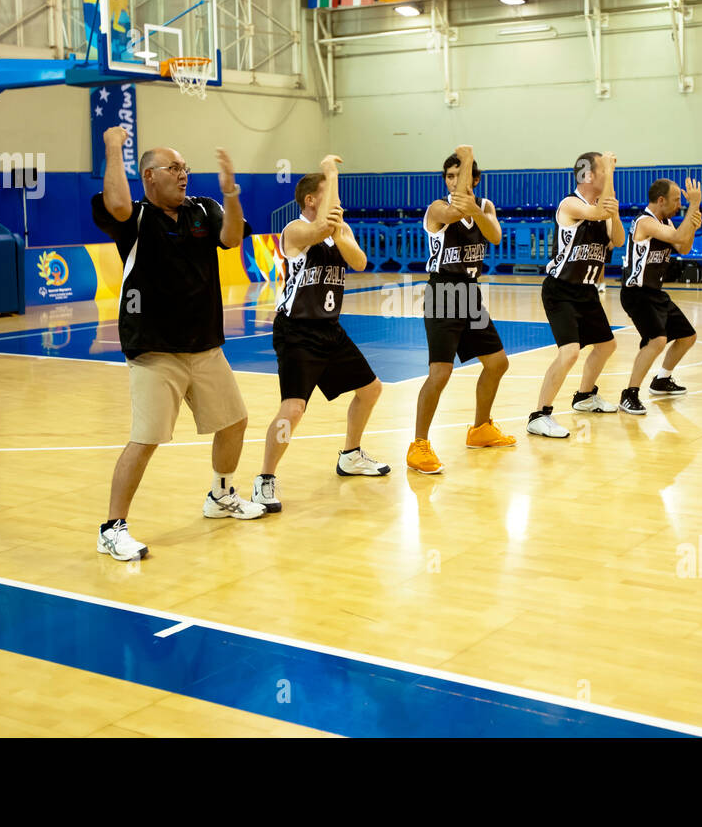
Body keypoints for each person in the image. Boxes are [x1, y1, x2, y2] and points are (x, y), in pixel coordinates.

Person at [90, 127, 264, 562]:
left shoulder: (203, 209)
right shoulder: (136, 216)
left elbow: (232, 238)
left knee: (234, 422)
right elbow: (114, 202)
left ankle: (220, 495)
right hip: (154, 350)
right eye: (173, 168)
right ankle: (112, 528)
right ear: (149, 176)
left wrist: (231, 192)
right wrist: (113, 147)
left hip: (204, 345)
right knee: (146, 439)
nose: (183, 174)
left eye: (185, 167)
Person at [252, 155, 389, 513]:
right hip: (296, 330)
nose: (339, 203)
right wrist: (330, 170)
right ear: (311, 200)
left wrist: (342, 232)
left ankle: (350, 455)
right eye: (331, 194)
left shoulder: (339, 230)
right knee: (294, 407)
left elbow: (359, 262)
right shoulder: (295, 231)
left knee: (371, 389)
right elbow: (319, 231)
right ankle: (265, 479)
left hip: (329, 328)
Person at [407, 146, 514, 475]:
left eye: (461, 175)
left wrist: (477, 210)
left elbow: (494, 236)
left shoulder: (485, 206)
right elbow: (455, 213)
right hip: (442, 293)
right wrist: (465, 157)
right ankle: (418, 444)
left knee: (497, 364)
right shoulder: (438, 208)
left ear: (475, 180)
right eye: (450, 177)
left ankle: (481, 428)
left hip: (469, 294)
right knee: (440, 373)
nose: (454, 181)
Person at [528, 151, 625, 438]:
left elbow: (617, 240)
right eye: (604, 171)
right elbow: (599, 212)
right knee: (569, 352)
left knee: (607, 346)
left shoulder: (602, 209)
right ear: (589, 175)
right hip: (560, 290)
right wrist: (610, 174)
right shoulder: (570, 204)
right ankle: (539, 414)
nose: (608, 175)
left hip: (586, 291)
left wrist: (615, 210)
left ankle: (584, 397)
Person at [618, 177, 702, 414]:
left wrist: (693, 226)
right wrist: (694, 206)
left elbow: (683, 248)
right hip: (637, 293)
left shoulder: (666, 221)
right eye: (676, 200)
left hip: (654, 292)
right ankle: (629, 394)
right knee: (657, 340)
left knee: (687, 336)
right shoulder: (645, 221)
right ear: (661, 199)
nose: (679, 205)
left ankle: (662, 380)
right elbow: (676, 239)